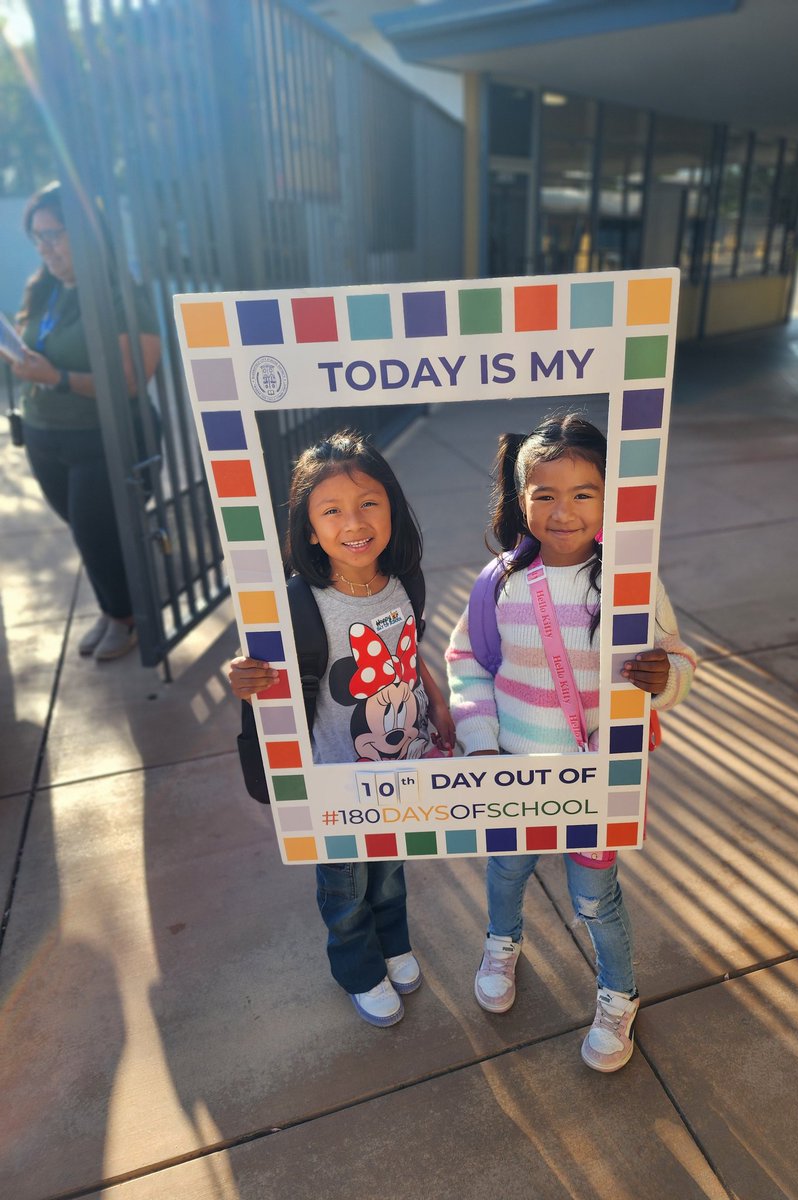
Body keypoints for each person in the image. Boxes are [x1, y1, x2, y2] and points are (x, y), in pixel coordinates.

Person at [446, 412, 696, 1072]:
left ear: (611, 499)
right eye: (545, 493)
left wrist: (664, 675)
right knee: (507, 871)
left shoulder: (630, 582)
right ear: (520, 496)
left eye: (584, 493)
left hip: (595, 780)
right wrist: (479, 741)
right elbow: (466, 661)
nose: (564, 511)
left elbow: (676, 655)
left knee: (595, 898)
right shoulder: (496, 581)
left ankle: (619, 994)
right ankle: (503, 943)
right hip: (513, 775)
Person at [228, 430, 455, 1027]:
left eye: (368, 504)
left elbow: (408, 655)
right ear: (308, 528)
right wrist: (246, 676)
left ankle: (395, 942)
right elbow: (262, 670)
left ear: (392, 508)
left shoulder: (405, 580)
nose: (353, 522)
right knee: (346, 884)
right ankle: (358, 967)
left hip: (401, 768)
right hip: (336, 782)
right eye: (331, 510)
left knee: (391, 868)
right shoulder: (299, 604)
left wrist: (438, 703)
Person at [9, 182, 161, 661]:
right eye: (37, 238)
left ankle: (126, 617)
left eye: (53, 234)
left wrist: (55, 378)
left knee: (96, 530)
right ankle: (115, 607)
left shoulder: (120, 293)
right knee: (84, 529)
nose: (44, 247)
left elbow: (134, 378)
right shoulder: (45, 289)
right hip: (43, 433)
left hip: (104, 437)